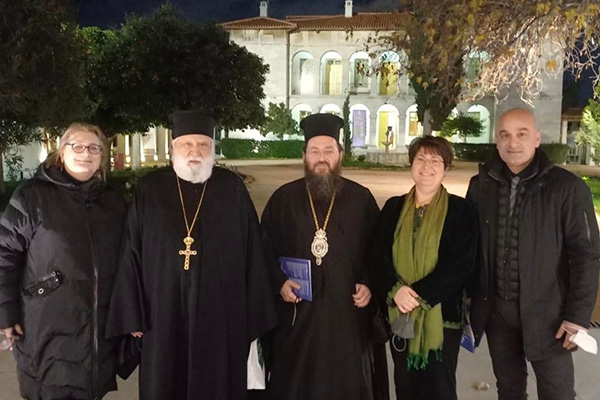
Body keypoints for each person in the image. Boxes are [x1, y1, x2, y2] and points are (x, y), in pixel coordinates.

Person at [106, 110, 277, 400]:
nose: (195, 151)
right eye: (187, 144)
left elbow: (254, 252)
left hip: (221, 316)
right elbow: (131, 251)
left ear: (212, 148)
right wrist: (131, 313)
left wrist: (253, 315)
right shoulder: (150, 188)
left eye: (203, 144)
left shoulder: (231, 188)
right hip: (161, 313)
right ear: (174, 147)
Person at [466, 108, 600, 400]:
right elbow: (471, 247)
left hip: (550, 315)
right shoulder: (481, 185)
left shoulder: (567, 188)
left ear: (537, 139)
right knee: (509, 390)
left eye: (521, 134)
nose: (512, 142)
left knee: (557, 393)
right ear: (497, 141)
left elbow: (586, 256)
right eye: (505, 135)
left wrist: (577, 317)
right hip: (498, 314)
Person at [0, 123, 128, 399]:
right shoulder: (32, 196)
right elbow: (5, 255)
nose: (86, 153)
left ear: (101, 156)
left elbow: (128, 261)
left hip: (97, 326)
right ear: (61, 152)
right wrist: (5, 313)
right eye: (77, 146)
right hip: (46, 323)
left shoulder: (113, 203)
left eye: (93, 148)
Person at [261, 113, 381, 400]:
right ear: (304, 155)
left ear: (340, 155)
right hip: (297, 315)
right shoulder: (283, 200)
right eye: (315, 151)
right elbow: (263, 249)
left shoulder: (361, 199)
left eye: (329, 150)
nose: (322, 158)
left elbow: (379, 250)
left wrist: (369, 283)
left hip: (346, 315)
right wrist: (279, 282)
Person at [371, 135, 477, 400]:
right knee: (405, 386)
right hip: (400, 314)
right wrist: (396, 290)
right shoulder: (393, 208)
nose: (427, 166)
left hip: (441, 318)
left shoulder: (460, 210)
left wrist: (418, 295)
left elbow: (460, 265)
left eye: (435, 160)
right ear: (412, 163)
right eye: (421, 159)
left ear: (446, 167)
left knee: (439, 388)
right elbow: (376, 255)